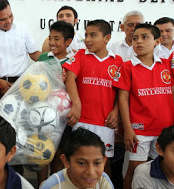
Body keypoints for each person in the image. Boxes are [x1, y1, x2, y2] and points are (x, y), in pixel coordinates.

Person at [114, 23, 174, 189]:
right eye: (135, 39)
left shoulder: (166, 65)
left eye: (144, 37)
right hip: (139, 130)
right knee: (133, 170)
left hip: (165, 129)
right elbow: (123, 99)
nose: (138, 42)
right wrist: (127, 128)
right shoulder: (127, 67)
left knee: (164, 169)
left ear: (157, 41)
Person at [63, 20, 123, 176]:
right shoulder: (80, 55)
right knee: (78, 161)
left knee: (104, 164)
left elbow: (120, 91)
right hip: (82, 120)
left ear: (107, 38)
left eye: (93, 35)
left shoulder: (117, 61)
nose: (88, 39)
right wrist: (76, 104)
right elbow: (70, 79)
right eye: (86, 35)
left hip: (105, 122)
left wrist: (116, 111)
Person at [0, 0, 41, 103]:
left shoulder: (22, 29)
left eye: (10, 16)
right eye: (3, 19)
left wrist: (53, 59)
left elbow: (34, 53)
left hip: (22, 86)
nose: (9, 21)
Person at [37, 20, 74, 185]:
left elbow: (75, 88)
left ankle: (56, 186)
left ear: (68, 42)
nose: (52, 42)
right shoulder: (44, 57)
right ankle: (41, 185)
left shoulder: (73, 60)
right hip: (42, 113)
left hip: (63, 117)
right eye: (50, 38)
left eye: (57, 39)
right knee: (42, 152)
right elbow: (34, 81)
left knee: (59, 153)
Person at [40, 127, 114, 189]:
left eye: (97, 163)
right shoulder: (51, 186)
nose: (90, 172)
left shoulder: (103, 181)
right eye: (82, 163)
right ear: (66, 161)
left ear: (104, 161)